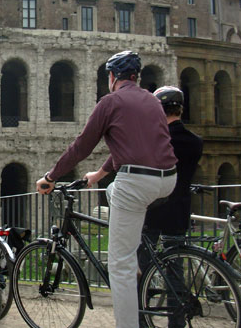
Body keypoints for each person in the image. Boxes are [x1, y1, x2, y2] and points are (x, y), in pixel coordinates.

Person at [36, 51, 178, 328]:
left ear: (112, 77)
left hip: (137, 182)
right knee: (114, 190)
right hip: (168, 178)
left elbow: (82, 146)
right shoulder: (152, 99)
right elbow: (130, 147)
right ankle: (133, 247)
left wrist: (51, 176)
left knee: (120, 267)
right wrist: (99, 174)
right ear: (136, 77)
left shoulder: (110, 102)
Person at [138, 86, 203, 328]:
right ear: (181, 109)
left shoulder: (158, 140)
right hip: (178, 213)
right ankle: (176, 323)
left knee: (141, 268)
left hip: (153, 211)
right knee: (175, 271)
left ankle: (141, 321)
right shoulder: (196, 142)